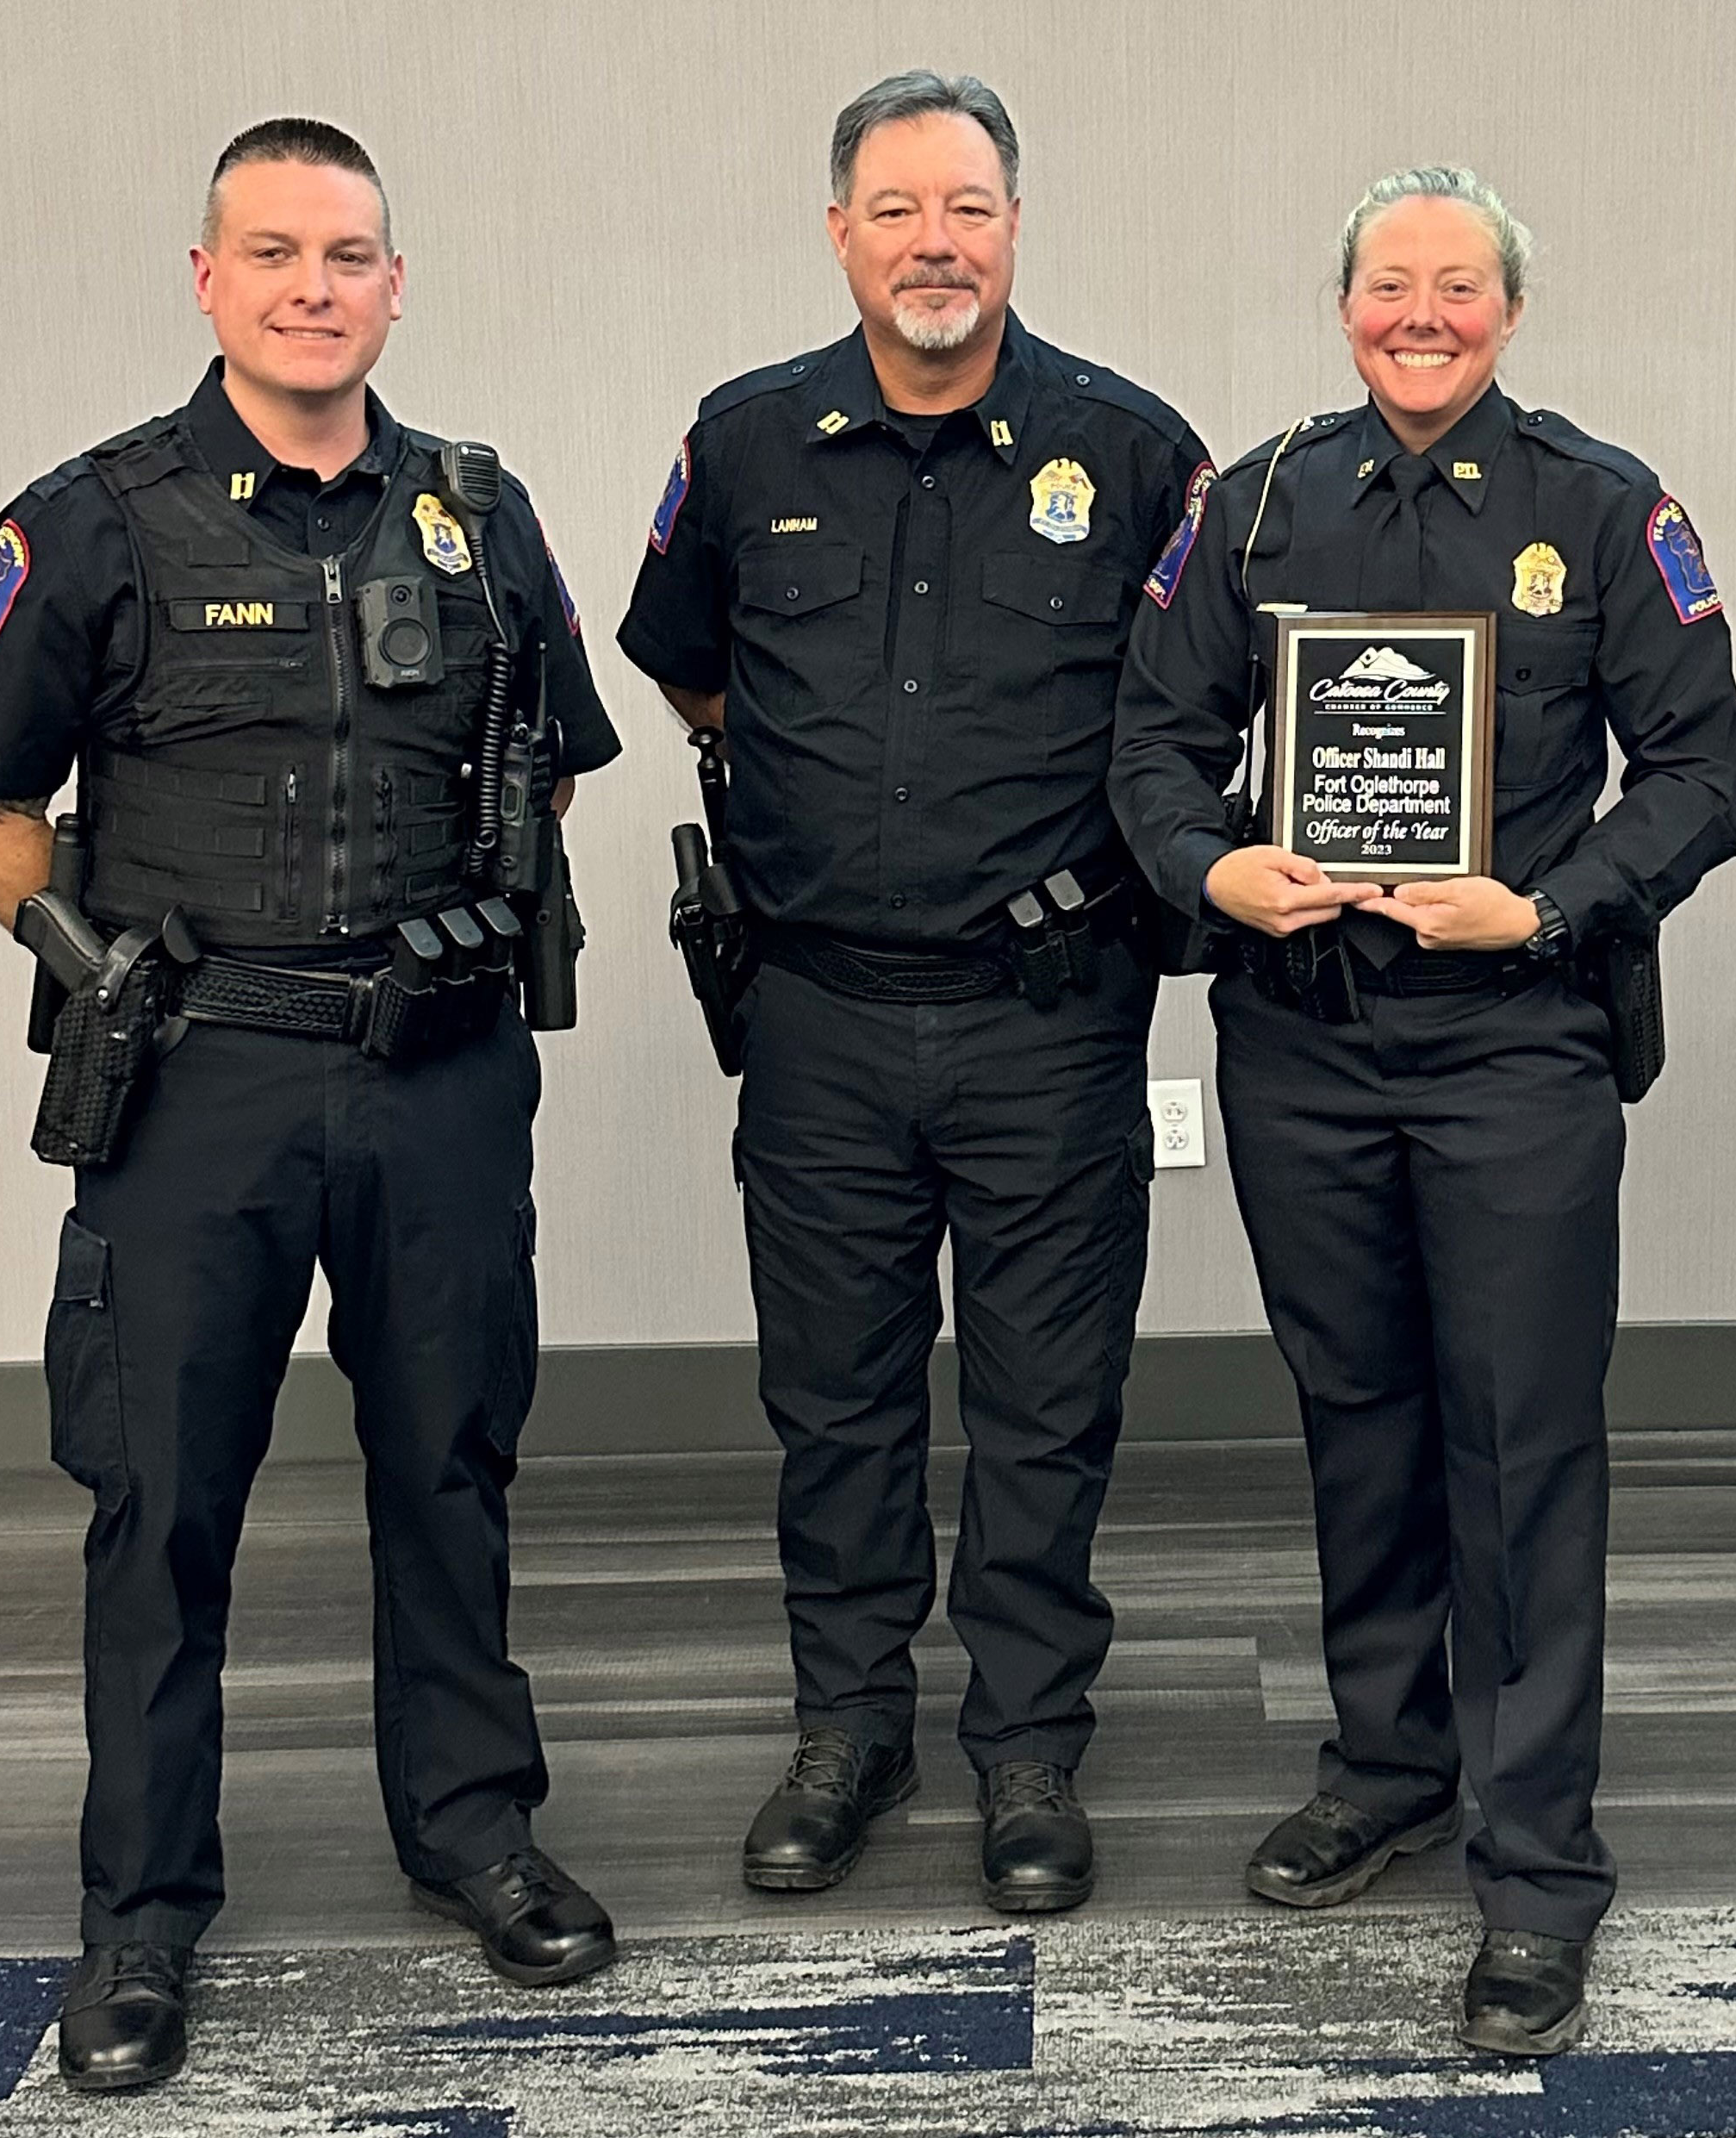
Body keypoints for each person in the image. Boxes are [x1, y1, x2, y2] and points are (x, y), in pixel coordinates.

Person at [0, 120, 621, 2093]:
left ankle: (474, 1826)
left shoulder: (482, 511)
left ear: (397, 287)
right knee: (162, 1505)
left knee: (449, 1464)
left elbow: (547, 764)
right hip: (198, 1076)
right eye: (276, 253)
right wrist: (101, 958)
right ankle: (141, 1915)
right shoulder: (94, 521)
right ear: (207, 280)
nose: (315, 286)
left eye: (352, 254)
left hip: (444, 1075)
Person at [1110, 165, 1736, 2055]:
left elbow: (1703, 767)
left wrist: (1550, 904)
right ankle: (1388, 1754)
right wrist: (1214, 872)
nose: (1422, 314)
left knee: (1521, 1438)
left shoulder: (1602, 509)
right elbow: (1153, 742)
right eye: (1390, 285)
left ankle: (1537, 1855)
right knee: (1361, 1407)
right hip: (1302, 1037)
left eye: (1457, 286)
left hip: (1513, 1042)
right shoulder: (1251, 503)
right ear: (1344, 305)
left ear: (1508, 309)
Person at [617, 72, 1210, 1917]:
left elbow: (1193, 713)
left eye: (967, 208)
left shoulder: (1132, 452)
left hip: (1050, 1004)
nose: (933, 243)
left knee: (1046, 1400)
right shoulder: (744, 444)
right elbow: (694, 671)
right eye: (896, 210)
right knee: (840, 1396)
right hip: (817, 1015)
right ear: (839, 232)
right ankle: (849, 1728)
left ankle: (1026, 1744)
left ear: (1015, 227)